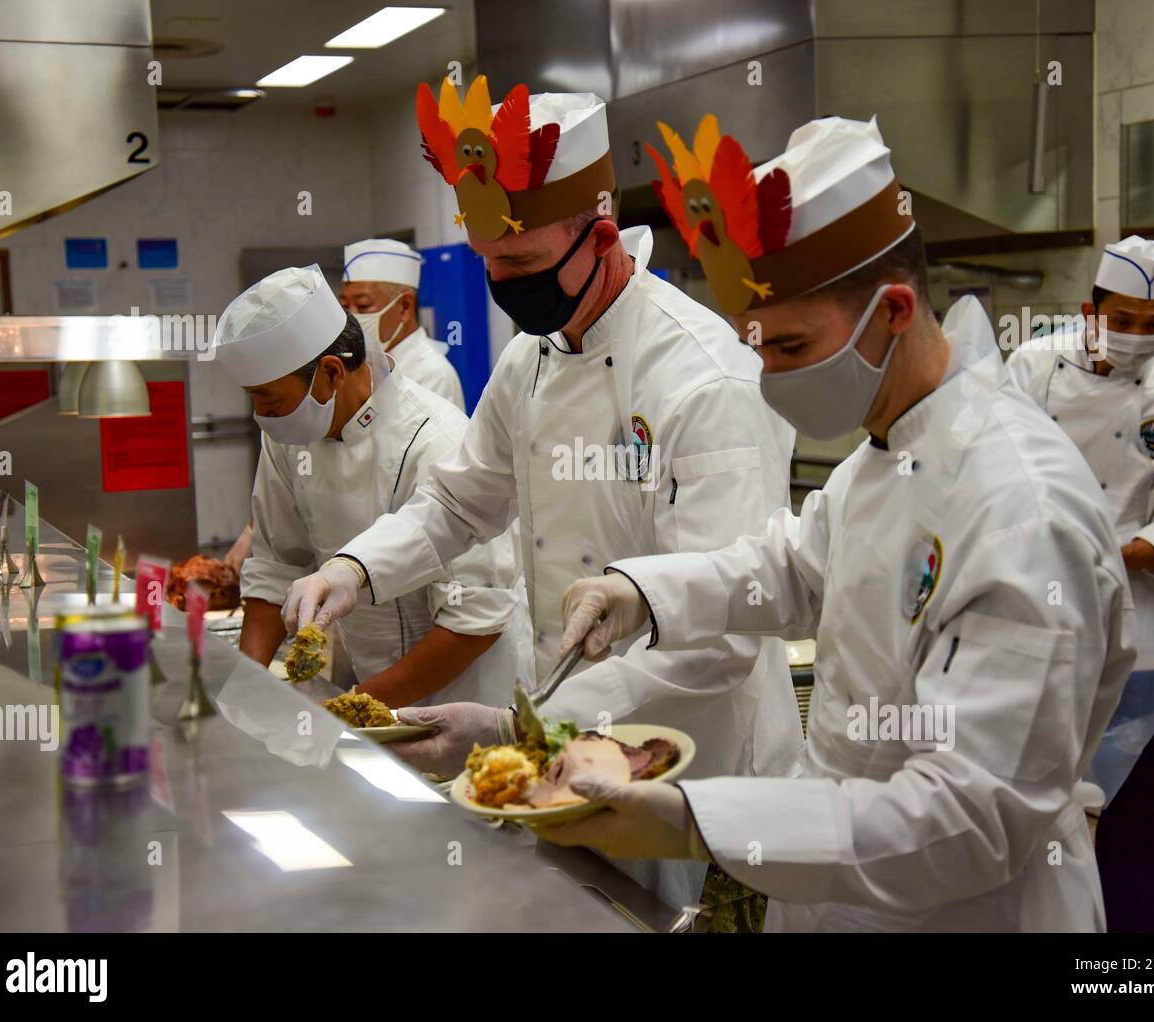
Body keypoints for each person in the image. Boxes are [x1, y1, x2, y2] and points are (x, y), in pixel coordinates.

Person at [543, 114, 1137, 932]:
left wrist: (699, 821)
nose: (767, 378)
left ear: (893, 309)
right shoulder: (892, 445)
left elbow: (971, 817)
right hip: (834, 892)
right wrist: (638, 591)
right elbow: (794, 565)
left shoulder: (1020, 508)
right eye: (759, 347)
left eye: (790, 347)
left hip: (968, 911)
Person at [281, 77, 802, 908]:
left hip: (700, 769)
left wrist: (532, 723)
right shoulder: (531, 360)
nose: (499, 283)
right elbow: (460, 503)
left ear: (600, 237)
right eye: (488, 261)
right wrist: (353, 570)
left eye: (519, 263)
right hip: (576, 755)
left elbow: (722, 628)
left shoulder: (702, 379)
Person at [1007, 236, 1154, 932]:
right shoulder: (1030, 368)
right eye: (1121, 320)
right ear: (1087, 310)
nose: (1135, 337)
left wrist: (1107, 552)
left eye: (1153, 323)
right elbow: (990, 467)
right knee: (1025, 800)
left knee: (1133, 810)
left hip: (1139, 633)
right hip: (1031, 621)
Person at [212, 264, 528, 707]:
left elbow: (475, 618)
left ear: (331, 374)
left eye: (269, 398)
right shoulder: (290, 431)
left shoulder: (435, 440)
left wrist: (353, 711)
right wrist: (243, 689)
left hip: (464, 695)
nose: (262, 414)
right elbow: (275, 563)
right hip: (366, 679)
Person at [341, 238, 465, 410]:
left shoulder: (431, 374)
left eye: (363, 306)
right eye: (345, 307)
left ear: (405, 306)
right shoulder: (363, 362)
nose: (352, 317)